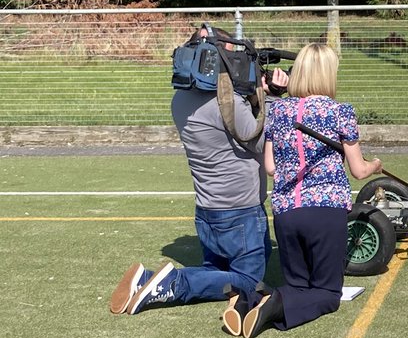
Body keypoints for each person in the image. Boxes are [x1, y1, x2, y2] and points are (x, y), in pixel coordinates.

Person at [109, 25, 288, 317]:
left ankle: (144, 280)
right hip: (239, 211)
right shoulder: (227, 102)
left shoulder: (180, 100)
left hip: (207, 211)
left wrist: (253, 95)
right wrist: (274, 97)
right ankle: (172, 283)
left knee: (216, 274)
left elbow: (227, 126)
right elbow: (262, 141)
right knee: (248, 281)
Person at [231, 42, 383, 338]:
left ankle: (248, 301)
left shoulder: (279, 111)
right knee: (327, 294)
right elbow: (358, 170)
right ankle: (270, 305)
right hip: (324, 210)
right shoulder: (340, 112)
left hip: (287, 211)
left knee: (298, 286)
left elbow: (271, 167)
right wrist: (375, 164)